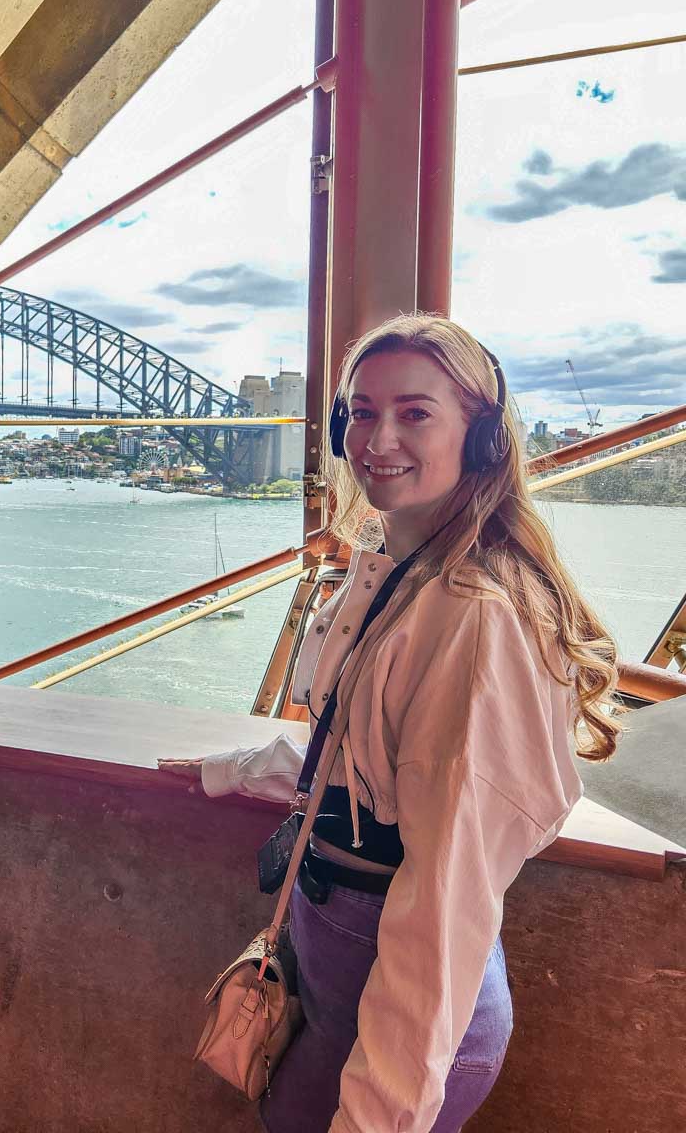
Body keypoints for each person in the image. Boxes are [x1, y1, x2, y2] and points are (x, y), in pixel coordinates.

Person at [159, 314, 624, 1133]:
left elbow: (445, 902)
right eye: (360, 412)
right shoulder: (396, 570)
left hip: (403, 1026)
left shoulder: (473, 617)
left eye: (415, 412)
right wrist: (231, 769)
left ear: (481, 439)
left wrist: (377, 1116)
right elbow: (350, 754)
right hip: (338, 985)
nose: (378, 437)